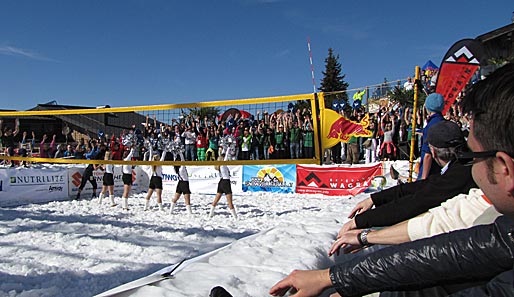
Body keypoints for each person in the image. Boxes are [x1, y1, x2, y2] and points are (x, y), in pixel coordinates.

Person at [270, 63, 514, 297]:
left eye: (471, 155)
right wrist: (339, 271)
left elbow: (430, 213)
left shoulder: (461, 177)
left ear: (505, 168)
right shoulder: (502, 228)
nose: (469, 166)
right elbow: (451, 243)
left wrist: (355, 246)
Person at [338, 120, 476, 234]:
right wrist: (374, 199)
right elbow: (419, 187)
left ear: (433, 151)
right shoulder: (460, 167)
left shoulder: (458, 175)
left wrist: (359, 222)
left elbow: (413, 203)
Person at [417, 92, 445, 180]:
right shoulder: (444, 123)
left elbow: (428, 154)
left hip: (430, 171)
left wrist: (423, 178)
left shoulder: (431, 126)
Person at [209, 151, 237, 219]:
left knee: (216, 200)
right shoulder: (223, 165)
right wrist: (228, 147)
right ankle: (235, 216)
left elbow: (224, 155)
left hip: (221, 182)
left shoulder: (220, 166)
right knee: (230, 202)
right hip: (226, 182)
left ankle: (210, 214)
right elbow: (226, 155)